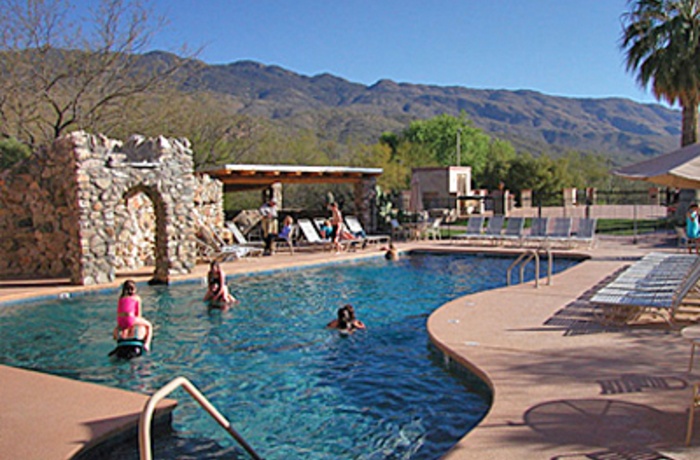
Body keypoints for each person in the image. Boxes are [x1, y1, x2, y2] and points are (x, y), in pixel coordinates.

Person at [113, 279, 153, 352]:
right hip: (130, 318)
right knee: (149, 325)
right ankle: (147, 345)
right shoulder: (136, 298)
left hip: (120, 320)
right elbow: (138, 314)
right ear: (134, 289)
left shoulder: (121, 298)